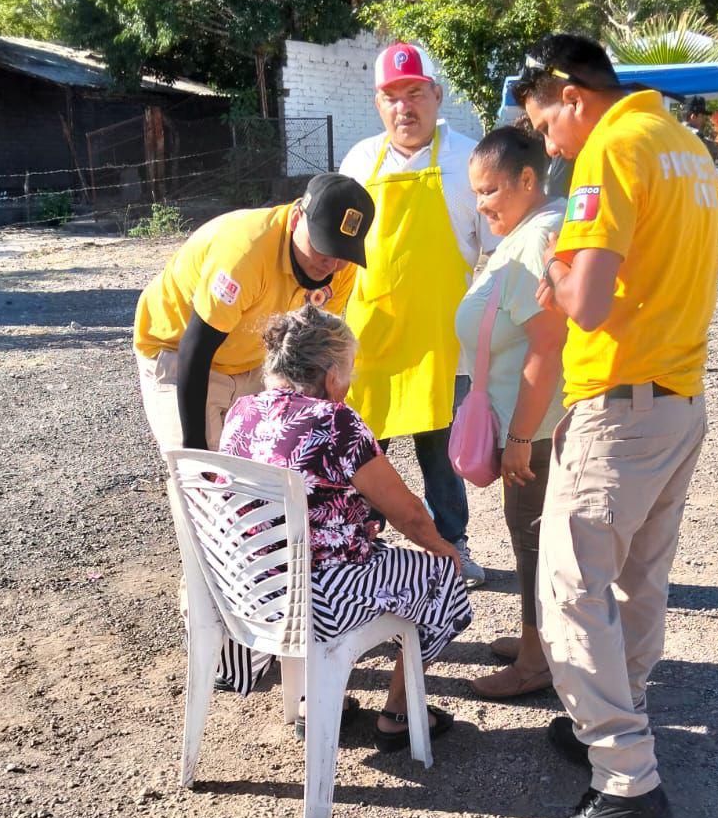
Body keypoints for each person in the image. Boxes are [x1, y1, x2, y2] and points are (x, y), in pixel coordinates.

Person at [511, 32, 718, 818]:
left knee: (570, 588)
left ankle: (627, 779)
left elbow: (588, 303)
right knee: (637, 581)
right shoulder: (685, 146)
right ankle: (611, 722)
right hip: (676, 399)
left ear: (572, 95)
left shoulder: (610, 149)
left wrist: (559, 278)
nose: (548, 142)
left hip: (622, 406)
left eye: (544, 122)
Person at [217, 306, 472, 748]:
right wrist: (444, 547)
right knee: (440, 574)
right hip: (314, 596)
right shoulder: (336, 422)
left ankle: (311, 701)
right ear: (331, 374)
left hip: (248, 586)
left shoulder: (243, 411)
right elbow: (408, 514)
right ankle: (399, 714)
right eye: (350, 370)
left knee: (358, 551)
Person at [340, 43, 495, 587]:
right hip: (371, 337)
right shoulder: (359, 161)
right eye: (391, 97)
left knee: (443, 454)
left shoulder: (469, 160)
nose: (404, 107)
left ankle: (452, 546)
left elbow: (496, 248)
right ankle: (361, 545)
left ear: (436, 95)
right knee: (364, 451)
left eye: (414, 93)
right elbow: (341, 251)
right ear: (378, 104)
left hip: (440, 336)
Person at [133, 174, 374, 452]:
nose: (331, 263)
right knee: (200, 477)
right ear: (296, 218)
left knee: (263, 462)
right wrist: (196, 449)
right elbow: (196, 347)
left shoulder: (341, 268)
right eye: (323, 245)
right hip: (178, 350)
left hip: (250, 358)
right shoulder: (245, 252)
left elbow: (309, 347)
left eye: (342, 252)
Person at [454, 127, 568, 700]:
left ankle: (536, 662)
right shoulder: (532, 230)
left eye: (491, 190)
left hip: (540, 426)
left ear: (528, 179)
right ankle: (537, 640)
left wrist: (521, 435)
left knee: (533, 538)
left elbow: (546, 346)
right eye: (476, 192)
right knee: (533, 537)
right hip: (535, 422)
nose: (482, 204)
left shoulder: (536, 239)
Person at [683, 98, 718, 168]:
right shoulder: (695, 135)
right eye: (702, 116)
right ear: (693, 117)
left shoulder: (673, 131)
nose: (704, 120)